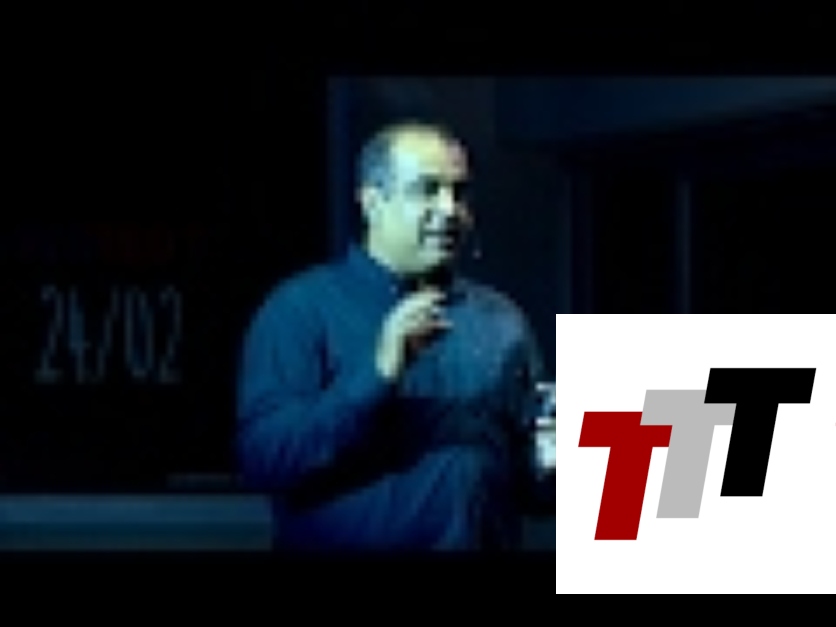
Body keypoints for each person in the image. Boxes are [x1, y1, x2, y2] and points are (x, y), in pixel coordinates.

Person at [236, 119, 555, 550]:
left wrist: (552, 463)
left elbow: (525, 484)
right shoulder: (301, 310)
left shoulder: (501, 320)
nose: (449, 209)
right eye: (427, 190)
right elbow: (264, 461)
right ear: (372, 202)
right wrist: (376, 375)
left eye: (459, 192)